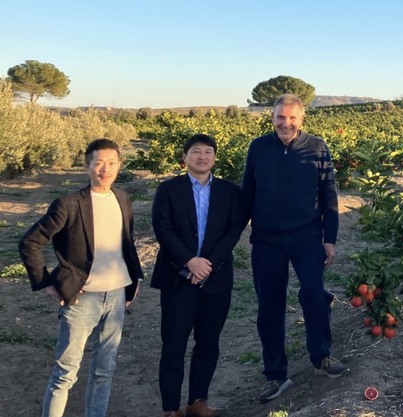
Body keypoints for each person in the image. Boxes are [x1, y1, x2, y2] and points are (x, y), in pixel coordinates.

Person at [18, 138, 143, 417]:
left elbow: (127, 242)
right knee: (65, 373)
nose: (105, 169)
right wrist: (46, 282)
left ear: (119, 165)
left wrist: (134, 278)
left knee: (104, 370)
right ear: (88, 166)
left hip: (116, 296)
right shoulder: (68, 204)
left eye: (112, 163)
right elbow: (30, 243)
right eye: (99, 163)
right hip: (81, 298)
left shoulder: (123, 199)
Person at [240, 93, 347, 404]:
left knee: (313, 293)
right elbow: (248, 191)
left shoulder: (317, 147)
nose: (285, 123)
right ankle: (276, 374)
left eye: (291, 118)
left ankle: (321, 356)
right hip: (267, 241)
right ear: (272, 117)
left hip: (307, 238)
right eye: (280, 117)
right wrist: (230, 233)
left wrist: (330, 238)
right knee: (269, 307)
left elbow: (329, 194)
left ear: (301, 119)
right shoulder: (258, 147)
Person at [151, 133, 247, 417]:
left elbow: (234, 230)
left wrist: (208, 264)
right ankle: (171, 409)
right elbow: (162, 229)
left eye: (208, 152)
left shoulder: (230, 192)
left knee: (208, 342)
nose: (202, 156)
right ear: (185, 158)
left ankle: (197, 402)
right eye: (196, 151)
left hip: (215, 278)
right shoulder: (168, 189)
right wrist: (189, 261)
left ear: (215, 158)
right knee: (174, 343)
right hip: (178, 277)